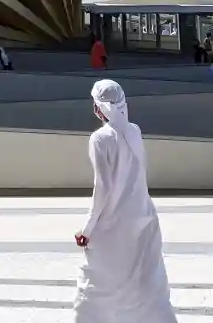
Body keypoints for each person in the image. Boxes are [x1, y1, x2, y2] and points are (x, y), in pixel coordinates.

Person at [74, 80, 179, 323]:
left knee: (100, 286)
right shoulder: (134, 131)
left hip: (113, 226)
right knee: (146, 283)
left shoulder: (100, 138)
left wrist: (87, 229)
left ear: (100, 107)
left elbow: (103, 186)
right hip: (143, 219)